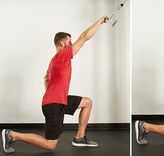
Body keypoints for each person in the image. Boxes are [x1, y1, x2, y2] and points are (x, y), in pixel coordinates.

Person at [2, 16, 109, 154]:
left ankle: (80, 138)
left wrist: (52, 93)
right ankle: (11, 135)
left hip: (59, 101)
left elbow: (46, 78)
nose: (72, 44)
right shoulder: (63, 55)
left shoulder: (54, 61)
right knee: (50, 145)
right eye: (70, 42)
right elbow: (84, 37)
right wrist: (99, 22)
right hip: (54, 105)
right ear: (62, 44)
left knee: (87, 102)